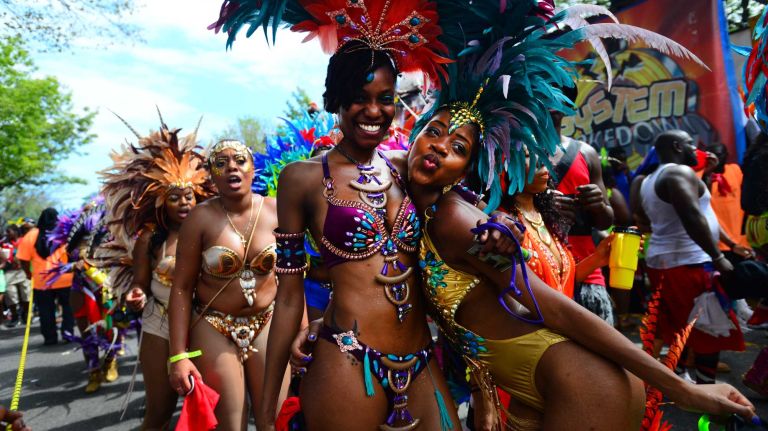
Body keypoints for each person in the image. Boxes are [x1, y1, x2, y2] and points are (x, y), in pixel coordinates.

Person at [168, 138, 287, 429]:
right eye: (221, 163)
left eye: (239, 160)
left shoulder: (277, 210)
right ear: (211, 175)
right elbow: (182, 288)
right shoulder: (200, 218)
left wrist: (304, 331)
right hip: (214, 325)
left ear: (252, 168)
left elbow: (291, 280)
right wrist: (179, 355)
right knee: (230, 424)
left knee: (274, 420)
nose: (231, 167)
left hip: (268, 321)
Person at [100, 116, 212, 426]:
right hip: (159, 322)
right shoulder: (150, 239)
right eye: (174, 198)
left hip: (208, 322)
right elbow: (140, 283)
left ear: (198, 195)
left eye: (188, 196)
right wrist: (135, 294)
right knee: (160, 411)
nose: (183, 203)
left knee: (210, 410)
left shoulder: (214, 232)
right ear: (162, 203)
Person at [633, 130, 745, 385]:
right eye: (690, 144)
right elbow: (692, 216)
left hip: (666, 262)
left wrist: (730, 244)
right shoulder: (677, 173)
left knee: (679, 328)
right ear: (677, 146)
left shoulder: (650, 178)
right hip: (688, 264)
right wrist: (718, 257)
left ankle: (678, 381)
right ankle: (706, 393)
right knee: (709, 328)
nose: (697, 150)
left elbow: (696, 209)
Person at [549, 86, 616, 326]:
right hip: (537, 267)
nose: (552, 100)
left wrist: (597, 204)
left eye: (559, 94)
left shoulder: (586, 153)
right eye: (543, 92)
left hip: (585, 265)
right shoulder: (515, 152)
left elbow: (606, 220)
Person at [16, 208, 74, 346]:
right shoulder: (64, 232)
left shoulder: (30, 235)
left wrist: (28, 273)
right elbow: (74, 252)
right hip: (65, 278)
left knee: (45, 310)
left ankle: (50, 338)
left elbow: (23, 259)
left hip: (42, 280)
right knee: (68, 307)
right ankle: (68, 333)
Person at [2, 224, 30, 328]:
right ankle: (14, 316)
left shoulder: (24, 240)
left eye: (9, 231)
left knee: (26, 293)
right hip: (9, 272)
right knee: (11, 294)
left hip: (23, 270)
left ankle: (26, 315)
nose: (7, 234)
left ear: (15, 231)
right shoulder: (5, 243)